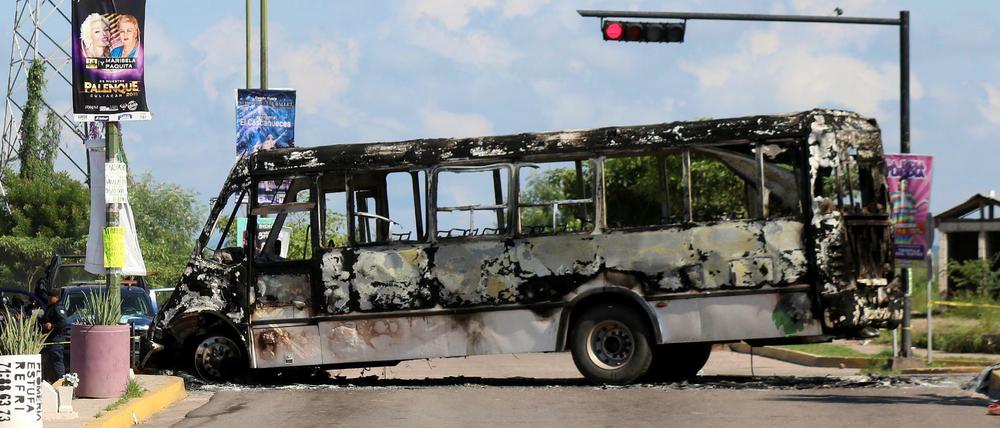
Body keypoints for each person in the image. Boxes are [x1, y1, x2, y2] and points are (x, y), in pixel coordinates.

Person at [38, 289, 69, 384]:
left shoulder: (58, 308)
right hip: (49, 339)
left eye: (51, 296)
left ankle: (62, 384)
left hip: (56, 340)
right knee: (49, 363)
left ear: (56, 297)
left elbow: (63, 322)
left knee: (57, 362)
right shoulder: (51, 307)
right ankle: (52, 382)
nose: (49, 298)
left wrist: (52, 325)